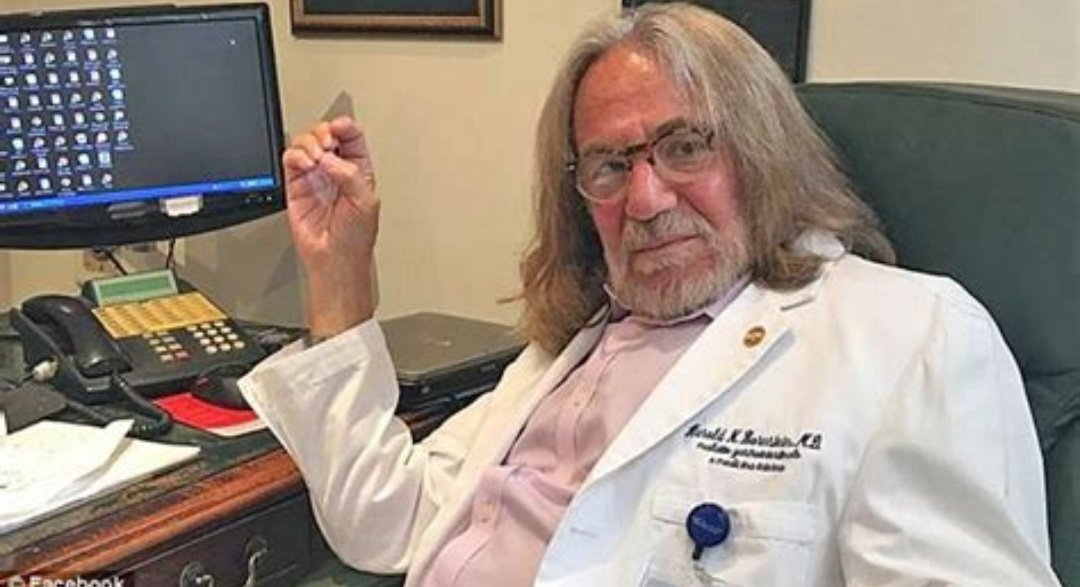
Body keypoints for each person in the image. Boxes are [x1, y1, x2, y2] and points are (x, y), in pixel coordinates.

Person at [240, 3, 1061, 586]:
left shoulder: (906, 334)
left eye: (684, 146)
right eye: (609, 164)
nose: (644, 199)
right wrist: (340, 274)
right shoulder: (575, 348)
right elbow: (382, 524)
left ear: (762, 151)